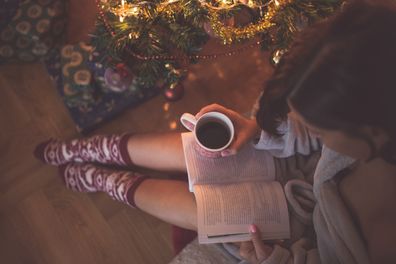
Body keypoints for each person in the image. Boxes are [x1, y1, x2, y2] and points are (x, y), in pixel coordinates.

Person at [34, 0, 396, 263]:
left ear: (373, 131)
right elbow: (311, 135)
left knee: (214, 213)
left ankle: (110, 182)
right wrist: (256, 130)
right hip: (300, 167)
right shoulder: (372, 100)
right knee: (205, 152)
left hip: (296, 236)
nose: (320, 133)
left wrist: (276, 259)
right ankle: (100, 149)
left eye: (323, 127)